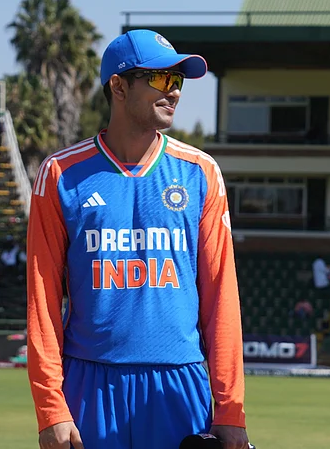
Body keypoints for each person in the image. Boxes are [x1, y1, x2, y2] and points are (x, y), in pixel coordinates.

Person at [27, 29, 248, 449]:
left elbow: (222, 298)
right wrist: (50, 407)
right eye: (162, 79)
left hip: (179, 382)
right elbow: (42, 300)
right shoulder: (59, 174)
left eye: (178, 81)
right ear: (119, 86)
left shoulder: (200, 172)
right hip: (88, 383)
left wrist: (230, 408)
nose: (175, 92)